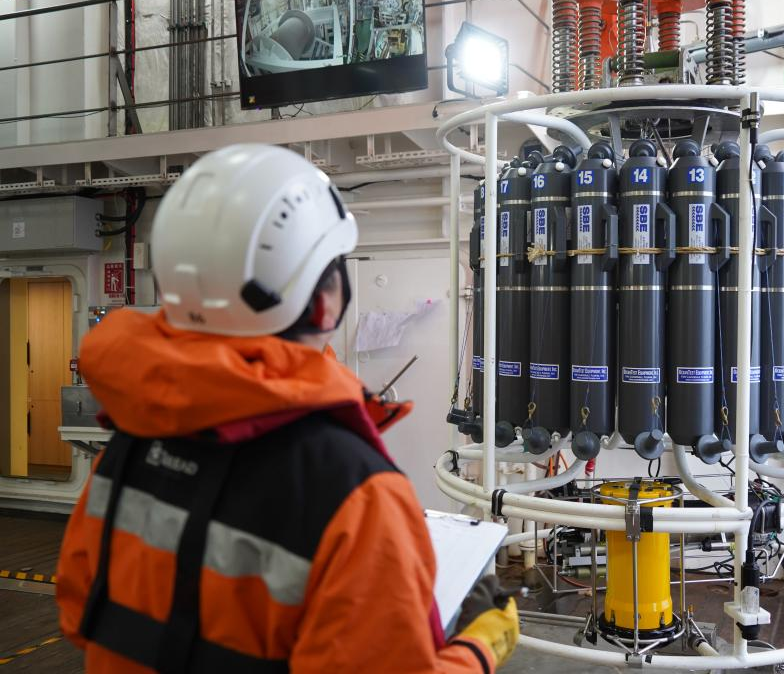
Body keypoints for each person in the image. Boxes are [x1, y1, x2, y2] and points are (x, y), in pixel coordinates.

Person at [56, 144, 519, 673]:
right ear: (326, 301)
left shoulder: (134, 437)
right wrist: (479, 648)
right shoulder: (354, 493)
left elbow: (78, 605)